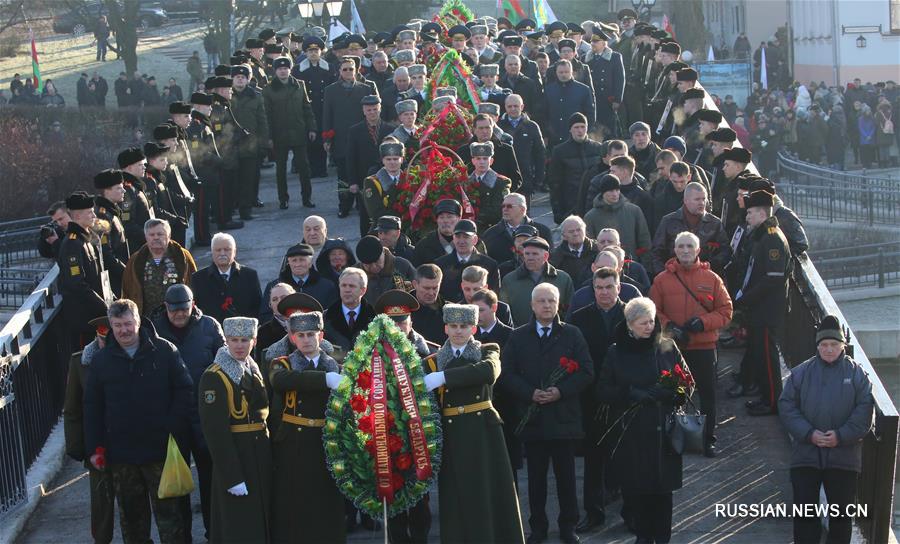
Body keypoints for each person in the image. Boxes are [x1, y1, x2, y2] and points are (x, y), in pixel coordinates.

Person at [84, 298, 193, 544]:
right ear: (111, 326)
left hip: (161, 452)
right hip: (122, 456)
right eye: (117, 325)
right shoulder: (101, 361)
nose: (124, 330)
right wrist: (95, 448)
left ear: (137, 321)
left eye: (128, 323)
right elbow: (92, 407)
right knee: (132, 523)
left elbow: (185, 389)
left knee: (171, 520)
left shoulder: (164, 350)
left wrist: (171, 426)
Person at [421, 303, 525, 544]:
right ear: (445, 328)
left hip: (483, 434)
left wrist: (445, 377)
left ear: (474, 329)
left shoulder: (488, 351)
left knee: (489, 491)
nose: (459, 331)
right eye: (454, 326)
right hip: (451, 433)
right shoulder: (433, 362)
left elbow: (488, 372)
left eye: (464, 326)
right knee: (456, 497)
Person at [499, 283, 593, 544]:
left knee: (566, 477)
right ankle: (537, 527)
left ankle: (568, 526)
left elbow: (586, 371)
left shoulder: (572, 334)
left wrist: (560, 391)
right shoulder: (518, 337)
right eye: (541, 301)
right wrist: (530, 393)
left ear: (559, 303)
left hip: (564, 418)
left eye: (551, 300)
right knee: (536, 479)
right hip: (534, 419)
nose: (547, 305)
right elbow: (506, 374)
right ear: (532, 305)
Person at [597, 297, 689, 544]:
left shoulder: (666, 346)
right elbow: (603, 390)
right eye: (642, 323)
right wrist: (630, 393)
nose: (649, 327)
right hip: (632, 432)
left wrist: (671, 393)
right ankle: (643, 536)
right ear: (630, 325)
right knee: (637, 490)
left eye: (651, 321)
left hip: (664, 430)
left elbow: (687, 383)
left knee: (663, 492)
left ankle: (662, 538)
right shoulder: (616, 352)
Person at [779, 315, 875, 544]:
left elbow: (864, 413)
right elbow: (786, 406)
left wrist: (840, 436)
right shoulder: (801, 373)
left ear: (843, 346)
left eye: (833, 345)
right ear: (817, 346)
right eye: (824, 345)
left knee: (841, 516)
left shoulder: (857, 374)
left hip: (844, 456)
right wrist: (808, 433)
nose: (829, 350)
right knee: (804, 513)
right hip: (806, 455)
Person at [150, 284, 224, 538]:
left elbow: (224, 362)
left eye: (183, 309)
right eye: (174, 310)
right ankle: (181, 536)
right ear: (166, 308)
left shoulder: (210, 326)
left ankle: (214, 531)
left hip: (205, 412)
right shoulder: (154, 329)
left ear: (192, 305)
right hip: (174, 416)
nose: (179, 314)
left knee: (210, 476)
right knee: (176, 481)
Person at [650, 232, 733, 457]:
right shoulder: (661, 280)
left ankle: (707, 439)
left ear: (698, 251)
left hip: (704, 347)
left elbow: (726, 312)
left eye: (689, 246)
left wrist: (703, 323)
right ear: (675, 251)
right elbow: (653, 310)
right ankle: (672, 436)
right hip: (673, 347)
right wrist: (669, 327)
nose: (685, 250)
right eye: (681, 247)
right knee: (672, 393)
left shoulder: (712, 279)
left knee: (707, 395)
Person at [269, 311, 347, 543]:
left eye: (311, 334)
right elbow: (281, 381)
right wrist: (323, 380)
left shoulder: (336, 363)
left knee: (326, 503)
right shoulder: (281, 363)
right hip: (294, 443)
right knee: (295, 505)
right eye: (300, 335)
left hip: (326, 442)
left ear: (321, 335)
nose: (306, 339)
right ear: (293, 338)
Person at [198, 317, 273, 543]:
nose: (240, 345)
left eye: (245, 340)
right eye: (234, 340)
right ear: (226, 341)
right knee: (237, 526)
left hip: (259, 456)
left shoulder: (253, 367)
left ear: (254, 340)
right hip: (236, 458)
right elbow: (215, 432)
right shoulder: (214, 376)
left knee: (260, 523)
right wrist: (232, 476)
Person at [568, 267, 626, 532]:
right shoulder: (580, 318)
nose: (604, 292)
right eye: (599, 288)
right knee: (593, 457)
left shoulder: (632, 314)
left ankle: (630, 512)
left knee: (626, 456)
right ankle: (594, 512)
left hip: (624, 398)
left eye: (609, 287)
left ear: (618, 288)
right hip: (591, 397)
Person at [733, 190, 791, 416]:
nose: (746, 217)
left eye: (749, 213)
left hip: (767, 309)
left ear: (760, 212)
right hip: (760, 308)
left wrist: (746, 299)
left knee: (768, 356)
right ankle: (766, 396)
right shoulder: (764, 236)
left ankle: (772, 402)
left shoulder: (772, 238)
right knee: (760, 352)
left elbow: (772, 278)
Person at [63, 317, 116, 544]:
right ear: (98, 337)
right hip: (98, 445)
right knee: (102, 503)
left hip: (129, 441)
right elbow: (72, 410)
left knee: (134, 502)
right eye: (103, 339)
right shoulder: (80, 363)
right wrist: (76, 447)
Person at [323, 56, 379, 217]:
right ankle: (344, 205)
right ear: (339, 71)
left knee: (362, 172)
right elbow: (327, 116)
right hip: (341, 138)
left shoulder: (365, 89)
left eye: (351, 69)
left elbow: (374, 114)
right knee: (343, 174)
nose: (348, 72)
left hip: (362, 138)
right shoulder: (330, 90)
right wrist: (327, 138)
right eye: (345, 69)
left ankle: (363, 204)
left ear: (356, 70)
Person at [262, 56, 316, 209]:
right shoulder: (269, 89)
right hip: (280, 135)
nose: (283, 71)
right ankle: (283, 199)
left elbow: (307, 108)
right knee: (281, 170)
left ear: (290, 69)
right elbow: (266, 115)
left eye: (285, 68)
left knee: (304, 168)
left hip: (298, 132)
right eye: (280, 69)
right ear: (275, 71)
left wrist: (312, 128)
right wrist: (269, 137)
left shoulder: (299, 85)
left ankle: (307, 198)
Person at [57, 191, 110, 348]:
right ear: (78, 216)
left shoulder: (85, 239)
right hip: (83, 318)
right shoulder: (72, 244)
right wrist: (103, 305)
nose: (94, 215)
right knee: (85, 359)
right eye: (90, 212)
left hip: (93, 313)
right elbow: (77, 283)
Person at [651, 182, 731, 277]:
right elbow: (656, 253)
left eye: (704, 199)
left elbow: (726, 251)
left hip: (704, 278)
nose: (701, 203)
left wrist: (710, 267)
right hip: (674, 277)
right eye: (697, 199)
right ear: (686, 200)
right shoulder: (668, 221)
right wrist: (664, 275)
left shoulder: (715, 223)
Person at [122, 219, 197, 317]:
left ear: (169, 236)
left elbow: (195, 284)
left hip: (177, 316)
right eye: (152, 235)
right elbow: (127, 290)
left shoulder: (183, 256)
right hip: (147, 319)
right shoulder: (135, 260)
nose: (156, 237)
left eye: (160, 234)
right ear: (146, 237)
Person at [345, 94, 394, 233]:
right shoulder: (355, 131)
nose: (372, 112)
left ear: (380, 109)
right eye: (369, 110)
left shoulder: (390, 129)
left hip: (386, 176)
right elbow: (350, 158)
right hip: (363, 178)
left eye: (374, 109)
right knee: (365, 214)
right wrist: (352, 182)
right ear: (364, 111)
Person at [501, 237, 574, 325]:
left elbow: (570, 310)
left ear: (546, 256)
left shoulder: (563, 279)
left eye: (535, 254)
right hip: (521, 335)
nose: (530, 257)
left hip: (556, 334)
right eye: (527, 254)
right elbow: (504, 313)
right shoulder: (509, 280)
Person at [191, 232, 262, 323]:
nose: (222, 253)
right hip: (211, 334)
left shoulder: (250, 276)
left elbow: (258, 308)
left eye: (227, 249)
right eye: (218, 250)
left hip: (243, 334)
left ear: (234, 252)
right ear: (212, 252)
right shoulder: (198, 279)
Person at [229, 64, 269, 220]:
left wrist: (263, 143)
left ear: (248, 79)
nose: (240, 80)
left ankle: (246, 210)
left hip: (250, 145)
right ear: (232, 79)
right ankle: (232, 208)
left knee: (247, 179)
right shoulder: (226, 97)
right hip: (230, 146)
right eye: (237, 77)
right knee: (232, 180)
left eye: (243, 77)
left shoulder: (256, 96)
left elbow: (262, 122)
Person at [548, 113, 604, 223]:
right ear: (570, 129)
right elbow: (555, 183)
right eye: (576, 127)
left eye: (583, 127)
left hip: (594, 201)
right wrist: (558, 211)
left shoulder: (598, 148)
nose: (580, 130)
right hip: (571, 204)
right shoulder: (559, 151)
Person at [583, 174, 651, 261]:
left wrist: (644, 264)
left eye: (617, 190)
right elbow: (589, 246)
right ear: (603, 192)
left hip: (631, 264)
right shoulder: (591, 217)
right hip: (603, 265)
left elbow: (644, 241)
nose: (615, 194)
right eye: (610, 191)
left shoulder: (634, 211)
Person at [434, 219, 500, 303]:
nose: (461, 241)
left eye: (466, 237)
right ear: (453, 238)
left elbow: (493, 297)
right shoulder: (440, 264)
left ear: (475, 240)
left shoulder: (489, 265)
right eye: (458, 236)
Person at [482, 192, 552, 265]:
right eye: (503, 206)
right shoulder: (491, 234)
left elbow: (550, 259)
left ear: (522, 209)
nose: (505, 209)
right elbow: (486, 263)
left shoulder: (542, 231)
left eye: (509, 206)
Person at [498, 93, 545, 197]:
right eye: (509, 106)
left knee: (524, 211)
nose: (513, 109)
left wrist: (538, 179)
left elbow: (540, 153)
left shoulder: (532, 126)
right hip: (504, 180)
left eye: (516, 106)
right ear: (505, 107)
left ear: (522, 107)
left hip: (526, 179)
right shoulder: (498, 127)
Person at [323, 267, 375, 353]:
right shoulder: (325, 318)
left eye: (352, 286)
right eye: (343, 285)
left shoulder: (375, 319)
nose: (347, 290)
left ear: (363, 290)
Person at [353, 235, 415, 306]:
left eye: (377, 261)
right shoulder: (354, 275)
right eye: (368, 265)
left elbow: (416, 293)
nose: (374, 267)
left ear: (383, 251)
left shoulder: (402, 266)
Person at [362, 139, 405, 228]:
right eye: (388, 159)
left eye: (396, 159)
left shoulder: (409, 177)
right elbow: (376, 213)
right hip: (385, 228)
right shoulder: (372, 182)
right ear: (382, 160)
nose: (392, 162)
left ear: (402, 159)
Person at [550, 215, 599, 288]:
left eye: (578, 230)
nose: (575, 234)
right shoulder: (556, 255)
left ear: (585, 231)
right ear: (564, 235)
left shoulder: (597, 249)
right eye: (571, 231)